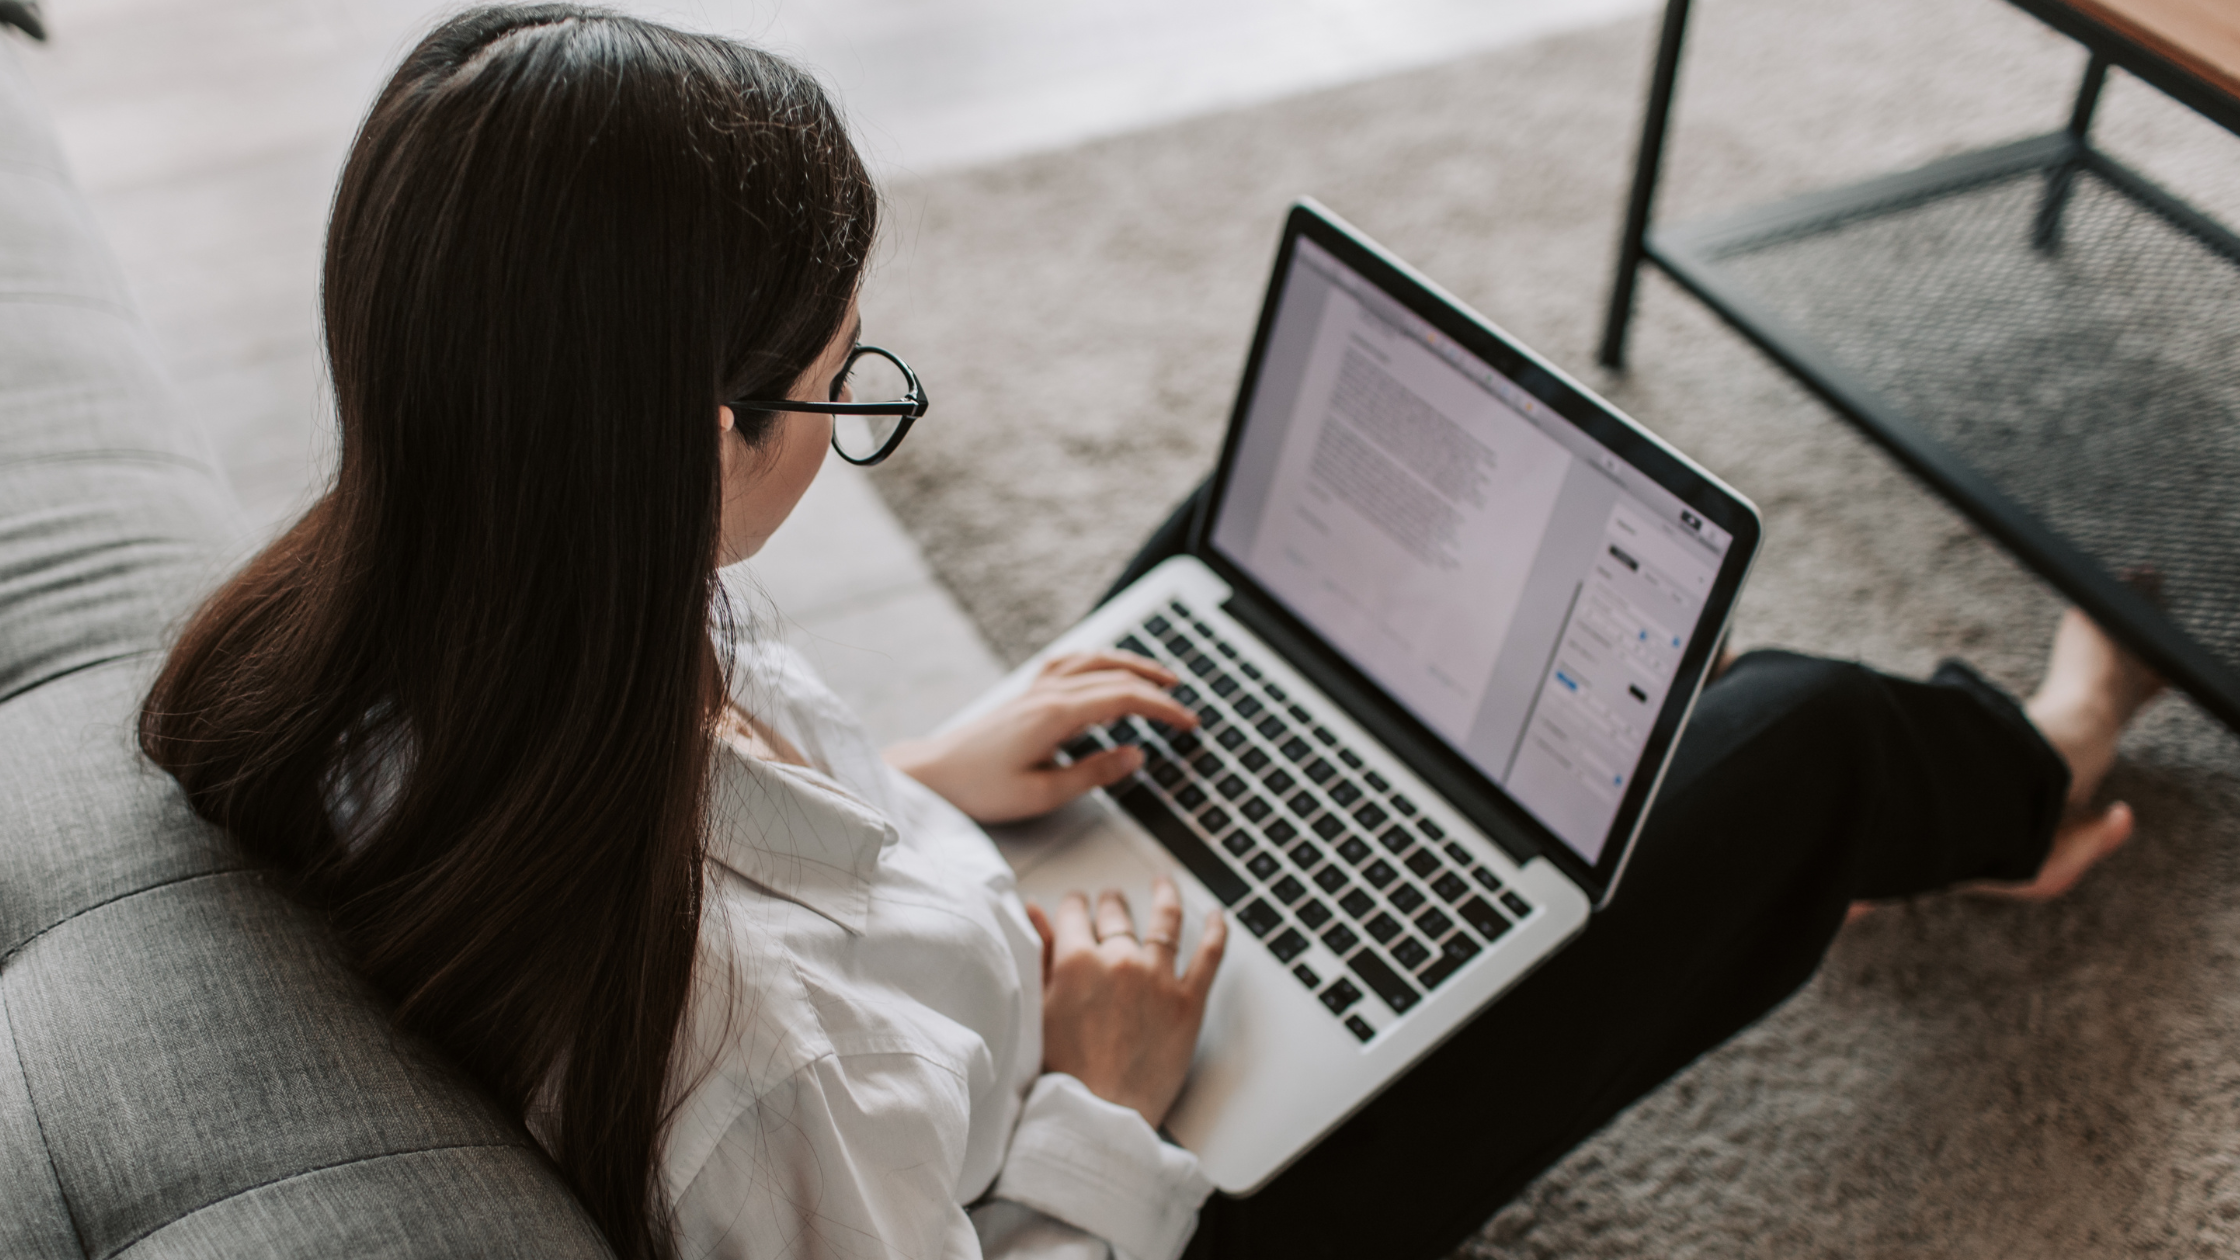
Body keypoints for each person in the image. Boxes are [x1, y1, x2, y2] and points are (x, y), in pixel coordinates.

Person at [135, 7, 2161, 1260]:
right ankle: (2036, 763)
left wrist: (923, 783)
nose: (854, 418)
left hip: (962, 960)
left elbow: (710, 849)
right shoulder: (750, 1081)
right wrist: (1110, 1087)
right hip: (1142, 1176)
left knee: (1244, 572)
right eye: (843, 394)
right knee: (1802, 734)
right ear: (691, 436)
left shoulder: (431, 609)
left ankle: (1572, 750)